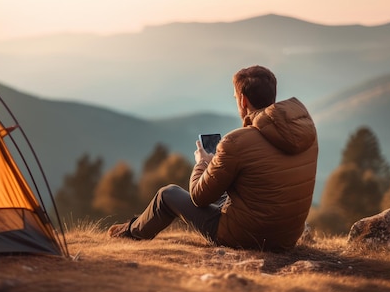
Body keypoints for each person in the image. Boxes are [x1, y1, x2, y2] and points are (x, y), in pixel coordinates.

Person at [107, 65, 318, 251]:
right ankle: (130, 228)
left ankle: (128, 234)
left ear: (243, 100)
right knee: (225, 191)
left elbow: (199, 197)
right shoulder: (305, 133)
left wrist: (202, 163)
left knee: (167, 195)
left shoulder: (236, 141)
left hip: (245, 237)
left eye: (236, 98)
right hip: (287, 236)